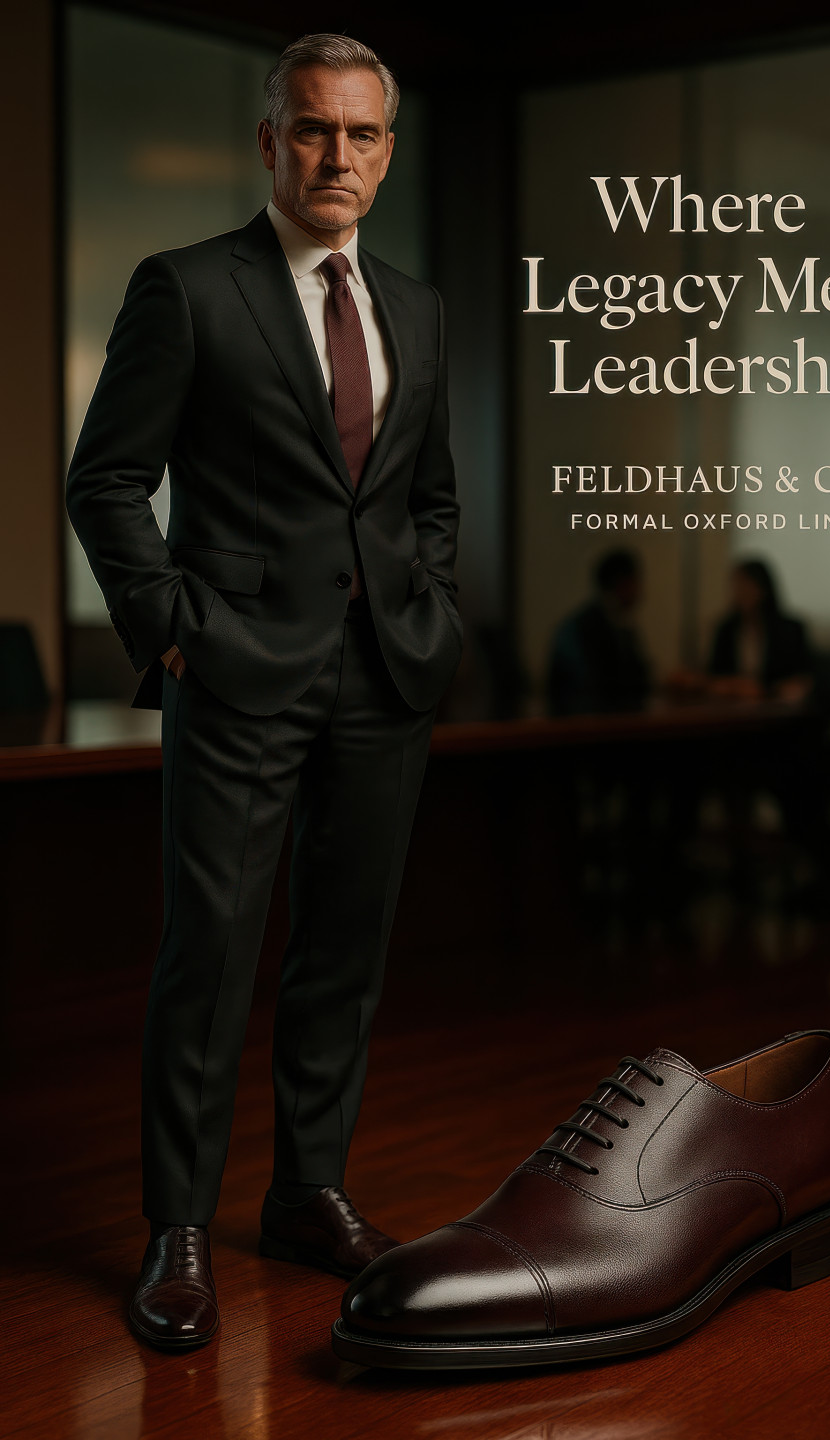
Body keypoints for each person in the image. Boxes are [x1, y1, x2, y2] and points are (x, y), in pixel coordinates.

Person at [66, 33, 462, 1349]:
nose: (335, 154)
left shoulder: (417, 306)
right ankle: (178, 1230)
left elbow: (429, 498)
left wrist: (429, 613)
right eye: (311, 129)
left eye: (360, 134)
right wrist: (177, 632)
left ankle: (308, 1192)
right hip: (235, 678)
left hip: (382, 680)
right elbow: (105, 482)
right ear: (268, 142)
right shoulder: (187, 289)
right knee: (211, 957)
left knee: (341, 953)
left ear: (387, 152)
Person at [547, 550, 651, 716]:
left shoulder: (616, 622)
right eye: (636, 581)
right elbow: (604, 685)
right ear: (621, 583)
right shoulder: (588, 627)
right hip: (583, 726)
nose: (641, 590)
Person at [708, 559, 813, 701]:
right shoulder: (726, 629)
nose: (741, 592)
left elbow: (804, 675)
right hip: (733, 706)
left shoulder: (789, 629)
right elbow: (714, 674)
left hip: (776, 706)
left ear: (763, 588)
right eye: (737, 586)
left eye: (747, 585)